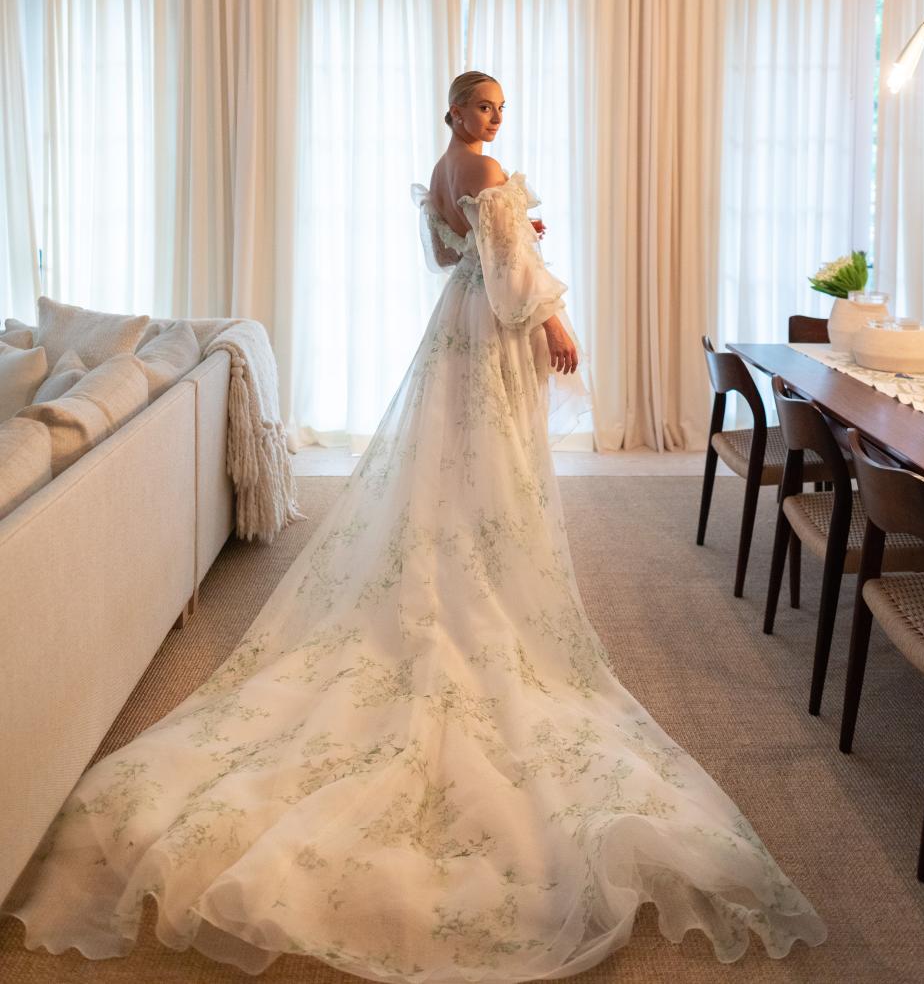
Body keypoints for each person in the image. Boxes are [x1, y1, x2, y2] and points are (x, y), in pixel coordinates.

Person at [2, 71, 826, 978]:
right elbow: (512, 283)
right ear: (455, 109)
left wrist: (507, 240)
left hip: (455, 327)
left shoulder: (445, 168)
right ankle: (475, 567)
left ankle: (460, 552)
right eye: (484, 106)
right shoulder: (482, 166)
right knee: (489, 458)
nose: (494, 118)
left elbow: (452, 259)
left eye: (501, 109)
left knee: (458, 457)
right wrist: (558, 323)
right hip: (488, 326)